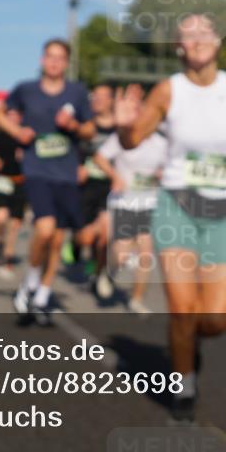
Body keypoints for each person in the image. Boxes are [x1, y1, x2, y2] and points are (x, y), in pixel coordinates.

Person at [114, 13, 226, 422]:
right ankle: (184, 383)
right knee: (183, 309)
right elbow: (133, 140)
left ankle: (190, 346)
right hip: (177, 206)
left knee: (214, 320)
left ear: (218, 41)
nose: (197, 39)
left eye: (205, 32)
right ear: (179, 46)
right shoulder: (168, 91)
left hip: (224, 214)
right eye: (187, 34)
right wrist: (124, 127)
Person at [0, 38, 95, 325]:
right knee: (45, 228)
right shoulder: (26, 90)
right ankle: (31, 280)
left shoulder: (77, 92)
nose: (54, 62)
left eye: (60, 57)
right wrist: (17, 131)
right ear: (42, 60)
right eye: (50, 56)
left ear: (67, 63)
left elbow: (90, 129)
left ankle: (41, 295)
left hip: (66, 174)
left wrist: (73, 126)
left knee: (58, 238)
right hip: (37, 170)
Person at [93, 112, 167, 315]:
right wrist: (114, 176)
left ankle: (136, 299)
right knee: (122, 254)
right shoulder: (123, 138)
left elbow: (170, 166)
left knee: (145, 254)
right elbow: (99, 158)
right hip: (124, 202)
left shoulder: (162, 143)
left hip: (150, 203)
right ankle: (110, 273)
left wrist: (162, 173)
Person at [75, 83, 116, 299]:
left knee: (105, 236)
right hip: (86, 186)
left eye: (103, 96)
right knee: (86, 238)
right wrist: (77, 166)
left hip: (110, 188)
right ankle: (76, 246)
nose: (98, 100)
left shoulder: (120, 127)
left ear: (111, 100)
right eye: (95, 96)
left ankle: (100, 274)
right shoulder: (86, 127)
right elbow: (72, 148)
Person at [0, 110, 26, 271]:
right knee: (0, 217)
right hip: (3, 180)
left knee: (16, 222)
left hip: (21, 182)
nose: (13, 118)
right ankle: (0, 241)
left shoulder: (26, 134)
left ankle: (8, 252)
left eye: (16, 115)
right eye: (10, 115)